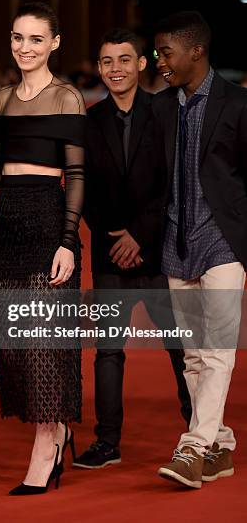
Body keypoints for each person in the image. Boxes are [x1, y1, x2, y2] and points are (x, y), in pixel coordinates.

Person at [0, 1, 86, 495]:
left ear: (54, 43)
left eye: (34, 39)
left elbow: (75, 174)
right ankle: (58, 431)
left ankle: (46, 446)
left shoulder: (68, 98)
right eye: (16, 38)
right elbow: (2, 171)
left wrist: (69, 241)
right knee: (16, 345)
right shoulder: (2, 101)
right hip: (8, 225)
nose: (23, 47)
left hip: (50, 220)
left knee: (45, 342)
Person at [74, 29, 191, 470]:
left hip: (161, 251)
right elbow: (82, 189)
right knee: (107, 351)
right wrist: (115, 236)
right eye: (107, 62)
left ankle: (200, 433)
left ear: (142, 64)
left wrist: (140, 235)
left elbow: (175, 183)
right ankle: (107, 442)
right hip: (109, 254)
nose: (116, 69)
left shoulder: (167, 113)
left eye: (124, 60)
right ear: (99, 68)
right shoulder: (90, 120)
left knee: (181, 347)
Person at [153, 11, 247, 488]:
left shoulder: (237, 104)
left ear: (196, 51)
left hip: (223, 242)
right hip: (176, 241)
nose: (160, 61)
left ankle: (192, 449)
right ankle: (220, 446)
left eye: (166, 52)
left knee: (217, 351)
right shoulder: (162, 106)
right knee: (193, 355)